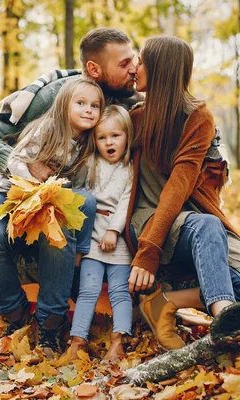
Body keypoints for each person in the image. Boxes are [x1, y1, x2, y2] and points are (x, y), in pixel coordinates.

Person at [0, 28, 140, 356]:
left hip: (71, 204)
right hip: (19, 193)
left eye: (136, 60)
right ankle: (17, 316)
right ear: (95, 70)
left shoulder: (129, 99)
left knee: (59, 231)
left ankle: (50, 325)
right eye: (125, 62)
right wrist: (24, 167)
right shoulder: (54, 95)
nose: (134, 68)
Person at [125, 36, 240, 350]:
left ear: (159, 69)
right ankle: (226, 323)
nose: (135, 68)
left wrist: (151, 252)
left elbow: (179, 184)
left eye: (140, 60)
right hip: (150, 220)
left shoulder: (197, 117)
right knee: (207, 227)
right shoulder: (133, 118)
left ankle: (165, 301)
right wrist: (149, 246)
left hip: (193, 219)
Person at [0, 78, 104, 336]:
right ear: (64, 105)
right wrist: (34, 180)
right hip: (8, 187)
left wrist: (51, 191)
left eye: (94, 106)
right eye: (80, 103)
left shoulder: (88, 146)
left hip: (41, 200)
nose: (88, 110)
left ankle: (72, 275)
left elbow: (79, 188)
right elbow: (14, 160)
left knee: (87, 203)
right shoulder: (49, 127)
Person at [66, 105, 134, 363]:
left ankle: (118, 342)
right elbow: (80, 193)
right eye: (102, 137)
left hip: (118, 240)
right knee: (88, 289)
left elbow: (127, 202)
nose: (109, 142)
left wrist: (115, 231)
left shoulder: (130, 168)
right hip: (93, 237)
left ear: (127, 135)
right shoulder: (91, 163)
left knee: (119, 291)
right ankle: (78, 340)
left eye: (115, 136)